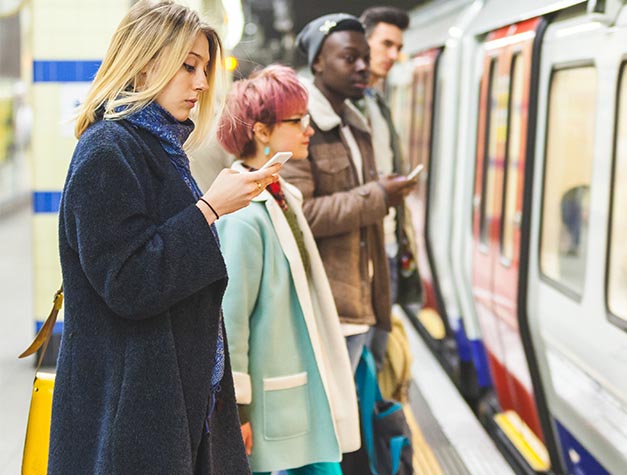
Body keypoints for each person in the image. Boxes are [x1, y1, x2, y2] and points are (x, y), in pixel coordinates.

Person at [50, 2, 281, 473]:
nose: (200, 82)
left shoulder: (155, 145)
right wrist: (211, 209)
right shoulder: (108, 151)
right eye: (187, 65)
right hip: (131, 414)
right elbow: (129, 283)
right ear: (142, 64)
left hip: (170, 399)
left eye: (203, 68)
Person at [216, 65, 360, 475]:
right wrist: (238, 407)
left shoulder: (281, 194)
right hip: (273, 403)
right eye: (296, 121)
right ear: (261, 132)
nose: (308, 129)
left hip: (295, 393)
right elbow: (232, 318)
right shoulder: (243, 217)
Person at [283, 13, 416, 371]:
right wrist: (379, 196)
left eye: (364, 58)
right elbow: (300, 215)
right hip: (329, 308)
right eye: (349, 58)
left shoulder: (355, 125)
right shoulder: (300, 125)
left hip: (363, 298)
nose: (362, 67)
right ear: (318, 62)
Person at [358, 6, 423, 372]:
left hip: (388, 247)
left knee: (377, 360)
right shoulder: (345, 107)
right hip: (365, 256)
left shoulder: (377, 103)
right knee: (366, 364)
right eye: (386, 44)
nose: (393, 56)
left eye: (398, 47)